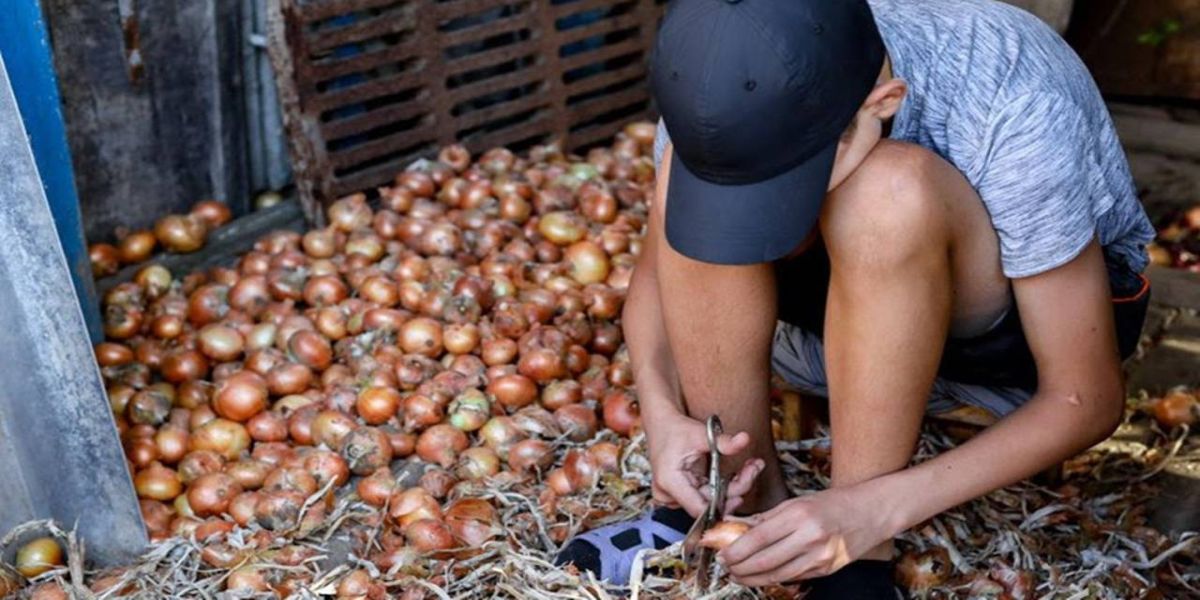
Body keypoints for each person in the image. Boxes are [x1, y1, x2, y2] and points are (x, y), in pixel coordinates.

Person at [555, 0, 1156, 597]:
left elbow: (1087, 399)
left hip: (1007, 342)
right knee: (689, 185)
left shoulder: (1014, 93)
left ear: (884, 101)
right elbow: (654, 288)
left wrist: (869, 510)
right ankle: (734, 505)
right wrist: (662, 416)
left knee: (886, 194)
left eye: (786, 189)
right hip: (825, 325)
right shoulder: (722, 79)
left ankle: (857, 562)